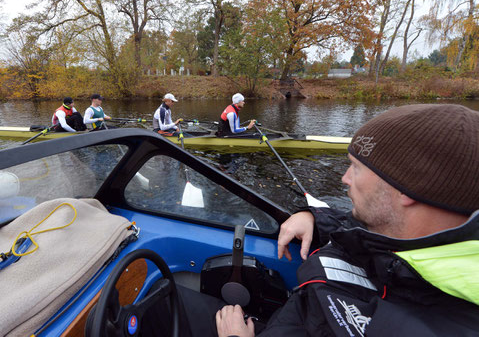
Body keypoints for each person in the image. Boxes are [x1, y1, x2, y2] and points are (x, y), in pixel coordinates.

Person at [169, 104, 479, 336]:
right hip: (279, 318)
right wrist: (315, 217)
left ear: (407, 188)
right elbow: (358, 230)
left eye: (355, 168)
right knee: (167, 301)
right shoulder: (394, 234)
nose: (344, 178)